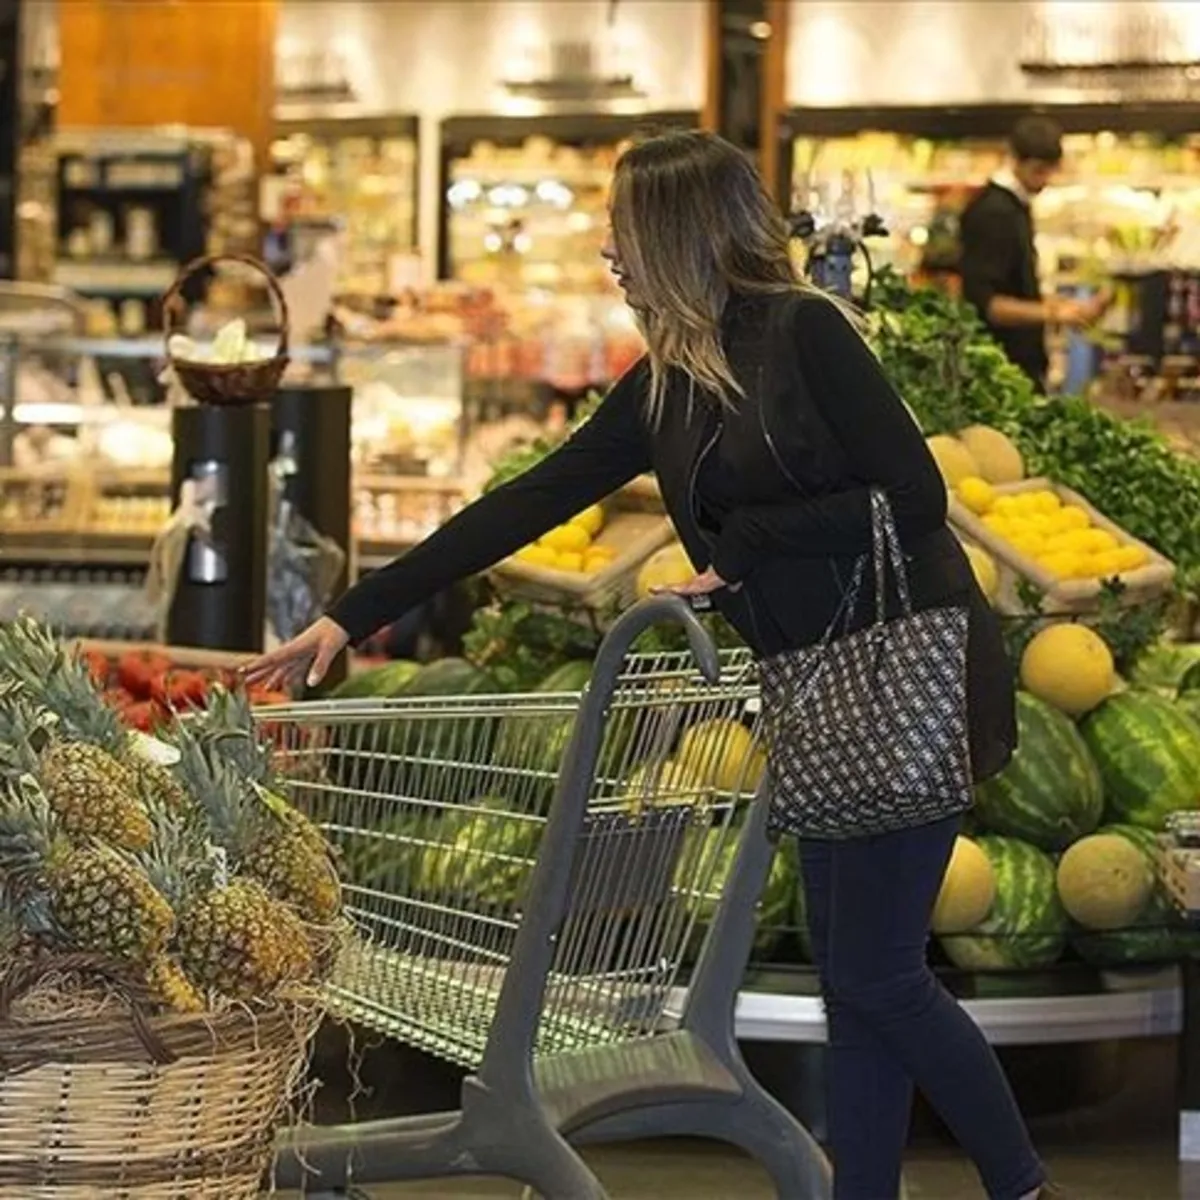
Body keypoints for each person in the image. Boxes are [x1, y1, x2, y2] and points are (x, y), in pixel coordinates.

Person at [245, 130, 1057, 1200]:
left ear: (680, 235)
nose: (608, 252)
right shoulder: (670, 381)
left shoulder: (807, 332)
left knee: (880, 978)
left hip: (910, 673)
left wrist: (748, 543)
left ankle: (1022, 1186)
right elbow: (530, 499)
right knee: (857, 985)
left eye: (623, 230)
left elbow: (915, 498)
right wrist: (353, 615)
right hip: (815, 686)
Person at [959, 114, 1109, 391]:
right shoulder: (994, 212)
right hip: (998, 369)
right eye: (1039, 170)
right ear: (1015, 159)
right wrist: (1055, 313)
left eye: (1050, 171)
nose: (1044, 180)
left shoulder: (1014, 206)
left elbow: (1014, 287)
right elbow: (987, 304)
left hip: (1012, 366)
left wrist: (1062, 307)